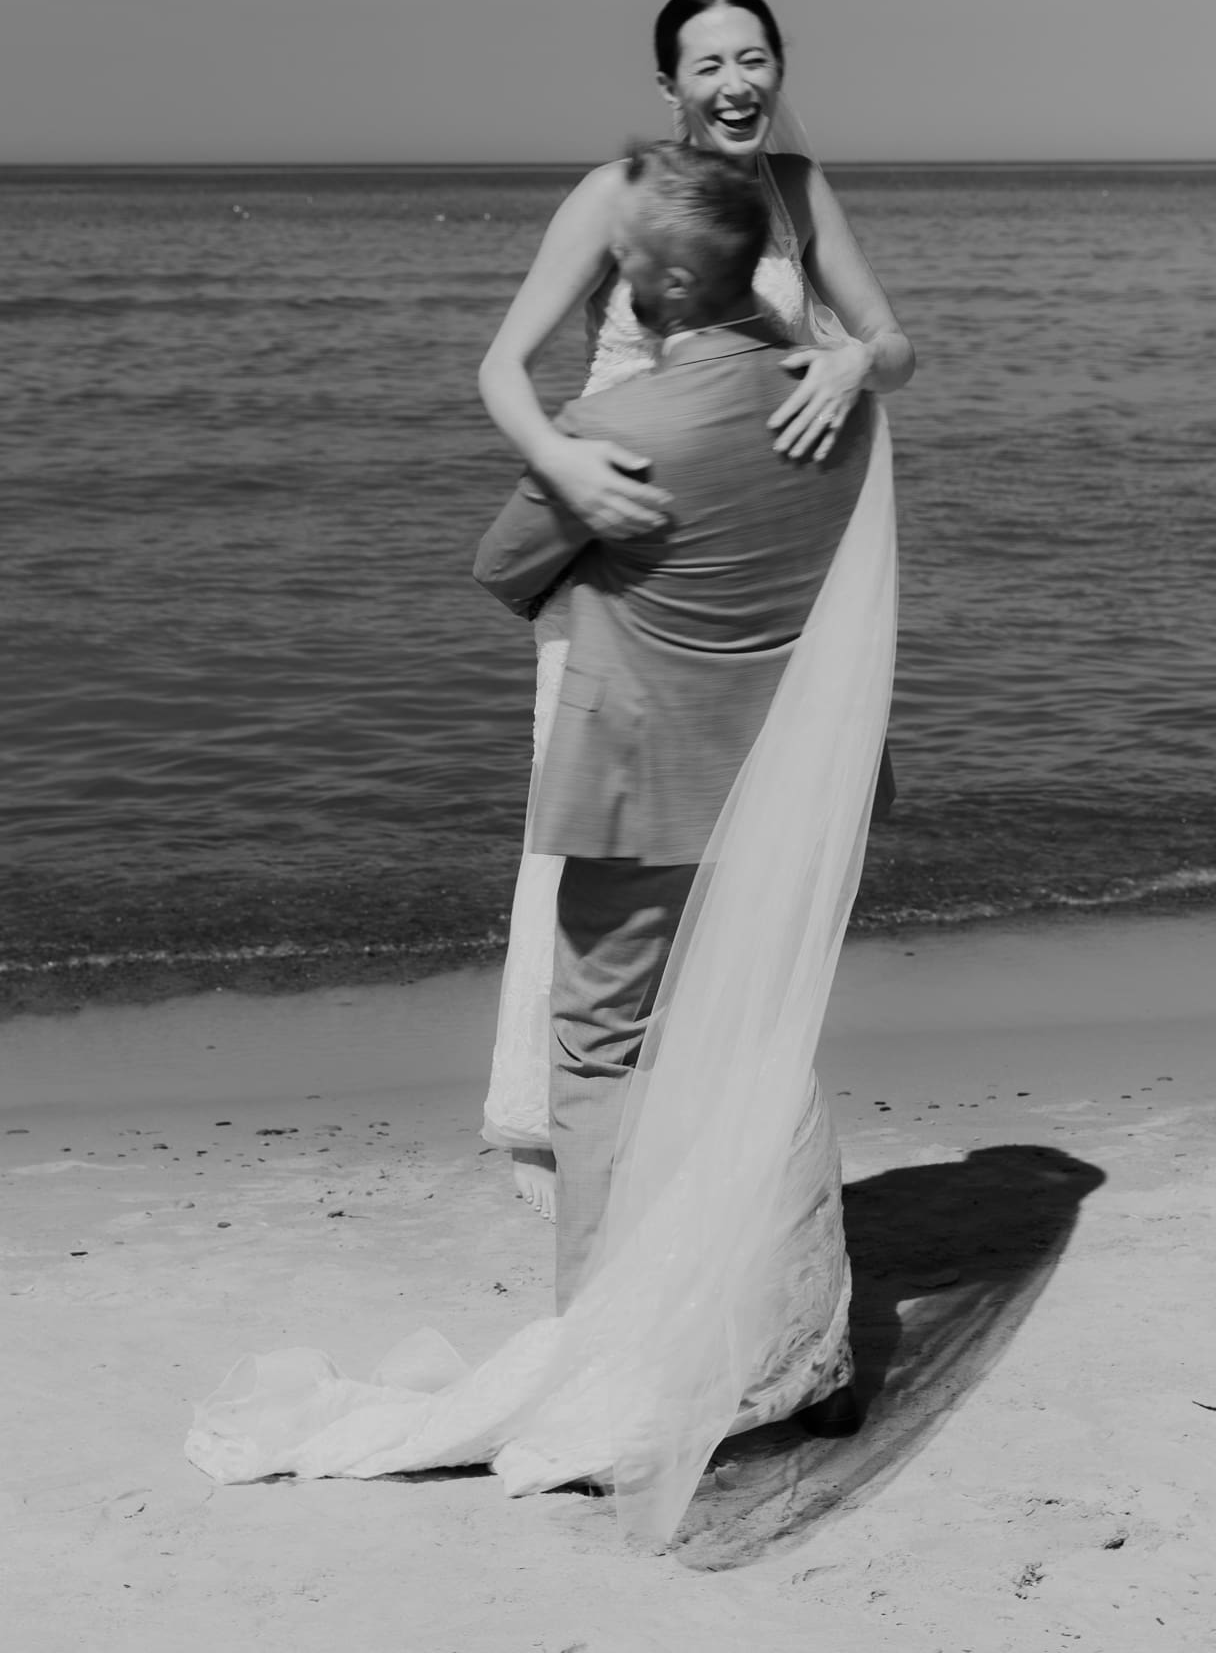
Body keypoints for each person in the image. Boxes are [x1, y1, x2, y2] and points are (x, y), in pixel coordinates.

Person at [186, 145, 900, 1546]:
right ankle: (795, 1348)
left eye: (632, 262)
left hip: (643, 791)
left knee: (598, 1061)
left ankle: (607, 1363)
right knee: (756, 1054)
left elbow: (504, 569)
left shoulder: (631, 414)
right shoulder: (837, 414)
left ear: (659, 277)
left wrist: (575, 475)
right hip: (778, 792)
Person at [479, 0, 914, 1219]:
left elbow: (898, 346)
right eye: (709, 62)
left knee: (735, 889)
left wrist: (849, 352)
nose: (738, 81)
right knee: (592, 860)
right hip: (625, 573)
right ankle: (573, 1139)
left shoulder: (798, 188)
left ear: (780, 68)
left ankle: (684, 1151)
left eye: (756, 56)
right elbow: (504, 363)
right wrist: (562, 460)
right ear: (666, 86)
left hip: (749, 584)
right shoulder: (620, 191)